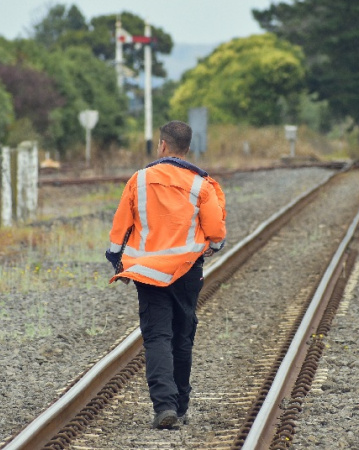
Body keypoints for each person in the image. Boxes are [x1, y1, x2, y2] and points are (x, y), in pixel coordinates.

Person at [105, 120, 227, 429]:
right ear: (187, 149)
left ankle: (164, 407)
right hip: (186, 271)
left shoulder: (140, 179)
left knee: (157, 336)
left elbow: (120, 227)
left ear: (162, 145)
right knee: (182, 334)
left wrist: (116, 257)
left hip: (148, 271)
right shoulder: (202, 184)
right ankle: (181, 407)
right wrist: (214, 245)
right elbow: (216, 231)